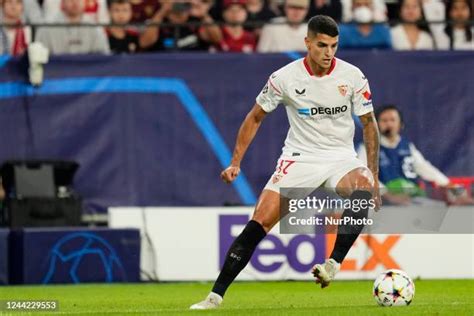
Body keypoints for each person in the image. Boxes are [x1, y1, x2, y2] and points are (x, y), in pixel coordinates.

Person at [190, 15, 381, 310]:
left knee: (364, 187)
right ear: (307, 43)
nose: (329, 53)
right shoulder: (284, 78)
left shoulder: (353, 76)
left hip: (340, 158)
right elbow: (255, 116)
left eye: (334, 46)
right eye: (322, 45)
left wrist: (374, 174)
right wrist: (235, 161)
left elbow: (369, 124)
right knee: (259, 223)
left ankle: (333, 264)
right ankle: (214, 297)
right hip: (300, 158)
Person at [357, 105, 470, 205]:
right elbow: (364, 177)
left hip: (412, 197)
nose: (389, 124)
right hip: (384, 201)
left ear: (401, 124)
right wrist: (388, 195)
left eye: (392, 120)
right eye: (384, 120)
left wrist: (449, 184)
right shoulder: (368, 147)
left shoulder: (407, 146)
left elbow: (425, 168)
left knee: (440, 211)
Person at [140, 0, 221, 51]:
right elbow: (144, 43)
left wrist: (204, 15)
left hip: (194, 65)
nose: (180, 4)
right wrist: (162, 12)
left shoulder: (196, 20)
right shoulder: (158, 20)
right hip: (164, 66)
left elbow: (216, 39)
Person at [35, 0, 111, 54]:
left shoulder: (95, 28)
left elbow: (103, 58)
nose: (75, 2)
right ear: (62, 2)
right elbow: (38, 60)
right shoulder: (46, 28)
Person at [43, 0, 110, 23]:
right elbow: (49, 25)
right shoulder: (51, 1)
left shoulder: (100, 1)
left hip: (89, 41)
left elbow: (103, 25)